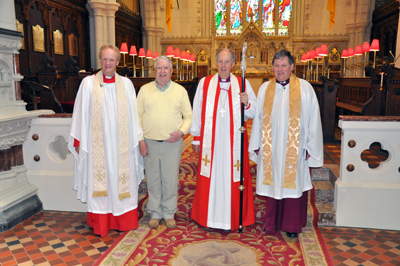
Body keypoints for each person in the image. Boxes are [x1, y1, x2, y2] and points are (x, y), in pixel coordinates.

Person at [68, 44, 144, 237]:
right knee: (101, 181)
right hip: (97, 146)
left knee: (121, 180)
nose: (108, 63)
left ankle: (123, 221)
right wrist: (78, 140)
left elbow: (134, 116)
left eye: (112, 60)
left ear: (118, 62)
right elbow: (79, 113)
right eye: (104, 59)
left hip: (122, 145)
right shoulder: (87, 84)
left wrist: (138, 138)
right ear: (100, 60)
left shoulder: (126, 84)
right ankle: (101, 223)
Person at [249, 50, 324, 238]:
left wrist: (310, 146)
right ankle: (272, 223)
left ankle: (291, 225)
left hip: (295, 148)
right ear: (272, 67)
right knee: (273, 181)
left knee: (292, 185)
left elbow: (314, 119)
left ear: (292, 67)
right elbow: (258, 119)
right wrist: (257, 143)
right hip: (271, 148)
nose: (280, 69)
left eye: (284, 65)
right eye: (276, 65)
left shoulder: (305, 88)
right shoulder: (265, 88)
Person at [190, 48, 256, 231]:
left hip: (234, 143)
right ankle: (209, 218)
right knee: (210, 176)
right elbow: (197, 110)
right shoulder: (205, 83)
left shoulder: (243, 83)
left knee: (232, 177)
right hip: (211, 142)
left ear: (233, 64)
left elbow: (253, 112)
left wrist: (247, 102)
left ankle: (231, 218)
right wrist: (196, 138)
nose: (223, 66)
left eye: (227, 62)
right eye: (220, 61)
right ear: (215, 62)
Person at [137, 56, 192, 230]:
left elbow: (189, 116)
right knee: (153, 179)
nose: (162, 72)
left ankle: (168, 212)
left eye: (166, 68)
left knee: (169, 179)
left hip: (172, 143)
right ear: (154, 70)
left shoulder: (180, 91)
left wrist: (181, 132)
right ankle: (155, 212)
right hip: (150, 142)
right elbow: (136, 117)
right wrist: (141, 140)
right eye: (159, 68)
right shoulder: (144, 90)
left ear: (171, 71)